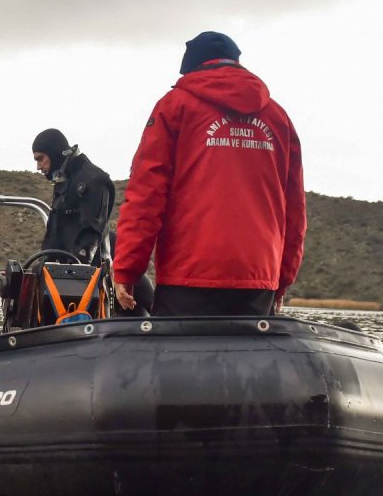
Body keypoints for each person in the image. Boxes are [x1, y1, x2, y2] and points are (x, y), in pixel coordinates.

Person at [114, 31, 306, 316]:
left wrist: (128, 269)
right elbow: (294, 209)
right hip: (257, 278)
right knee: (249, 361)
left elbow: (147, 194)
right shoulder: (278, 118)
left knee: (180, 360)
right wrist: (283, 278)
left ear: (191, 68)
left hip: (188, 276)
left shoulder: (174, 106)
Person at [32, 128, 115, 265]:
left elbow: (90, 237)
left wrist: (73, 271)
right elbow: (54, 235)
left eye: (41, 159)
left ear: (54, 153)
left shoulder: (94, 180)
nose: (38, 166)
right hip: (59, 276)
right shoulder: (65, 182)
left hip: (87, 279)